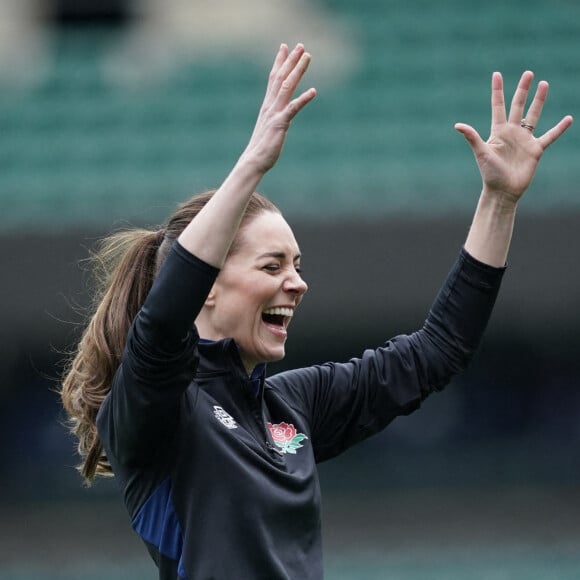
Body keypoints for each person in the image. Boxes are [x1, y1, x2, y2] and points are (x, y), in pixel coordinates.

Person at [60, 43, 573, 580]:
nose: (298, 283)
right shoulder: (153, 409)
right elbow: (163, 324)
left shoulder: (291, 405)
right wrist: (253, 163)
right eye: (272, 265)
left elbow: (436, 352)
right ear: (205, 286)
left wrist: (499, 202)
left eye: (298, 264)